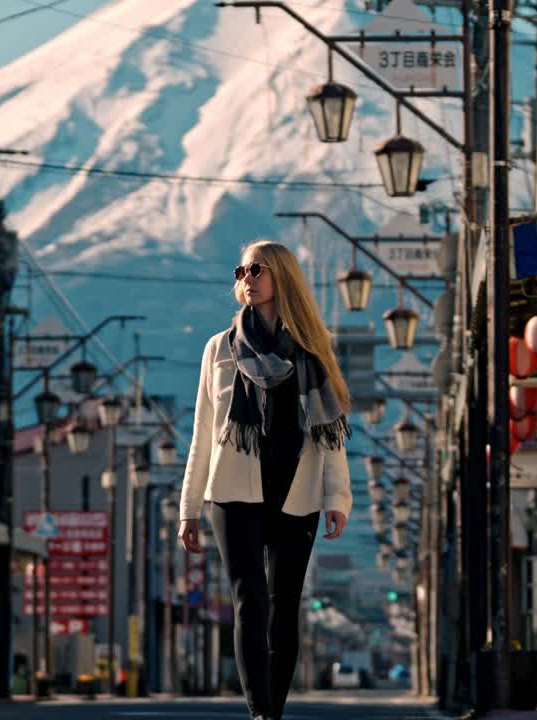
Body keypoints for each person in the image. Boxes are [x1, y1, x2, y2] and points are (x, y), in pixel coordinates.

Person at [178, 240, 353, 720]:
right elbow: (202, 434)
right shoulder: (219, 349)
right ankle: (260, 713)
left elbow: (331, 431)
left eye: (257, 269)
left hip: (297, 492)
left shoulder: (314, 350)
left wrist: (337, 496)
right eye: (242, 269)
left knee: (283, 606)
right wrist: (189, 509)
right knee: (248, 602)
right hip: (232, 492)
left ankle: (274, 709)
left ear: (283, 277)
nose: (247, 277)